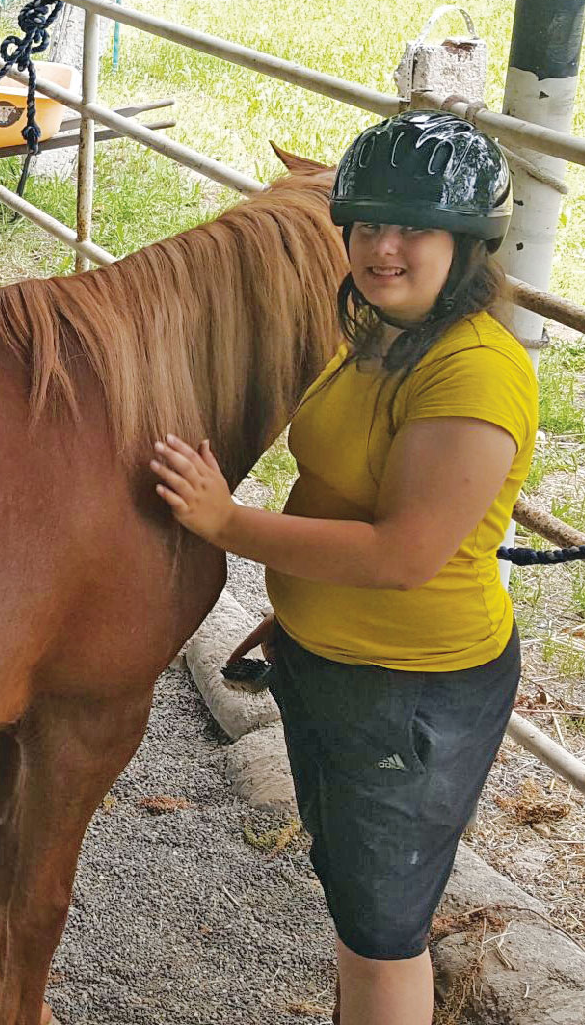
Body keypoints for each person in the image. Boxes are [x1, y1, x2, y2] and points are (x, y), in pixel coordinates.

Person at [149, 111, 536, 1025]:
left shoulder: (474, 373)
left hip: (411, 691)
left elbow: (403, 555)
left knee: (382, 933)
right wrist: (298, 612)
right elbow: (339, 494)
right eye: (366, 225)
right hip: (334, 663)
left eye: (412, 228)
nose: (382, 247)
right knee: (356, 901)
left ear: (470, 244)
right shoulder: (378, 333)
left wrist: (226, 522)